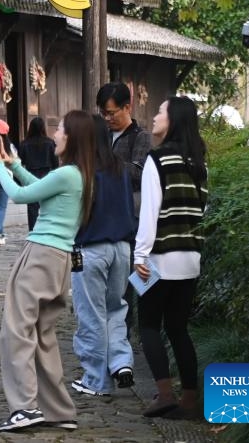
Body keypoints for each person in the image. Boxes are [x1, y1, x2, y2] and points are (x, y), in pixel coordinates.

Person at [0, 110, 95, 432]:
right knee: (42, 335)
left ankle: (24, 407)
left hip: (40, 255)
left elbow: (20, 195)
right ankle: (57, 410)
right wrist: (14, 166)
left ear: (72, 137)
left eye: (60, 129)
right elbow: (40, 190)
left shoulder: (66, 173)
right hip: (58, 258)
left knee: (16, 330)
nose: (56, 135)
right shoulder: (78, 174)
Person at [134, 97, 208, 420]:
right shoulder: (199, 163)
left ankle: (165, 395)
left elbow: (149, 213)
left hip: (158, 258)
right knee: (178, 329)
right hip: (190, 259)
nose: (154, 117)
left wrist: (139, 255)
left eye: (160, 112)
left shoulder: (157, 159)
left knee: (148, 325)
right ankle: (189, 400)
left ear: (173, 120)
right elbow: (202, 211)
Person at [69, 115, 136, 398]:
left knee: (91, 315)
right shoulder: (120, 167)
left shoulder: (82, 171)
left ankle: (96, 379)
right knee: (116, 309)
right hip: (122, 248)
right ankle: (121, 362)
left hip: (91, 249)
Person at [96, 82, 153, 341]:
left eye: (111, 113)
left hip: (130, 222)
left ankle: (122, 340)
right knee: (103, 286)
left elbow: (138, 173)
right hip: (101, 219)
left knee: (124, 286)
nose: (107, 119)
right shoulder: (101, 136)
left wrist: (105, 162)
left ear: (127, 107)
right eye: (103, 114)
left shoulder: (140, 137)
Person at [18, 117, 58, 231]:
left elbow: (20, 163)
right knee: (48, 205)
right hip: (47, 176)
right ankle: (48, 230)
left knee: (32, 207)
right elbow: (55, 163)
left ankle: (33, 231)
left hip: (30, 175)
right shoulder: (50, 143)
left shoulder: (24, 144)